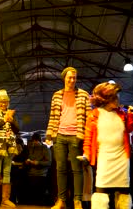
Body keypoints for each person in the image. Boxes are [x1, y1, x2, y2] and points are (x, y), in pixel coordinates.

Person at [82, 82, 133, 209]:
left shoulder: (121, 113)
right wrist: (86, 154)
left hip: (122, 158)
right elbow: (88, 137)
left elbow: (129, 129)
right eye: (115, 96)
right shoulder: (93, 114)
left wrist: (131, 115)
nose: (118, 99)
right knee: (101, 190)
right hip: (104, 158)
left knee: (124, 192)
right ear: (107, 98)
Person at [46, 67, 91, 209]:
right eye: (69, 77)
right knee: (60, 169)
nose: (72, 80)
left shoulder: (83, 95)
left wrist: (85, 135)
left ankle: (77, 200)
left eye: (74, 77)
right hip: (59, 135)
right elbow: (53, 116)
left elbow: (89, 117)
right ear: (64, 78)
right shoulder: (57, 95)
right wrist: (49, 134)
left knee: (77, 169)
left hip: (76, 136)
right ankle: (62, 200)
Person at [24, 133, 52, 205]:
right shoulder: (31, 148)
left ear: (40, 141)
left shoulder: (45, 148)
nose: (35, 143)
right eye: (33, 141)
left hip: (41, 175)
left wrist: (38, 163)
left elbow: (49, 162)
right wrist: (27, 161)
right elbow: (27, 158)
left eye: (36, 141)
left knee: (39, 197)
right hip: (31, 174)